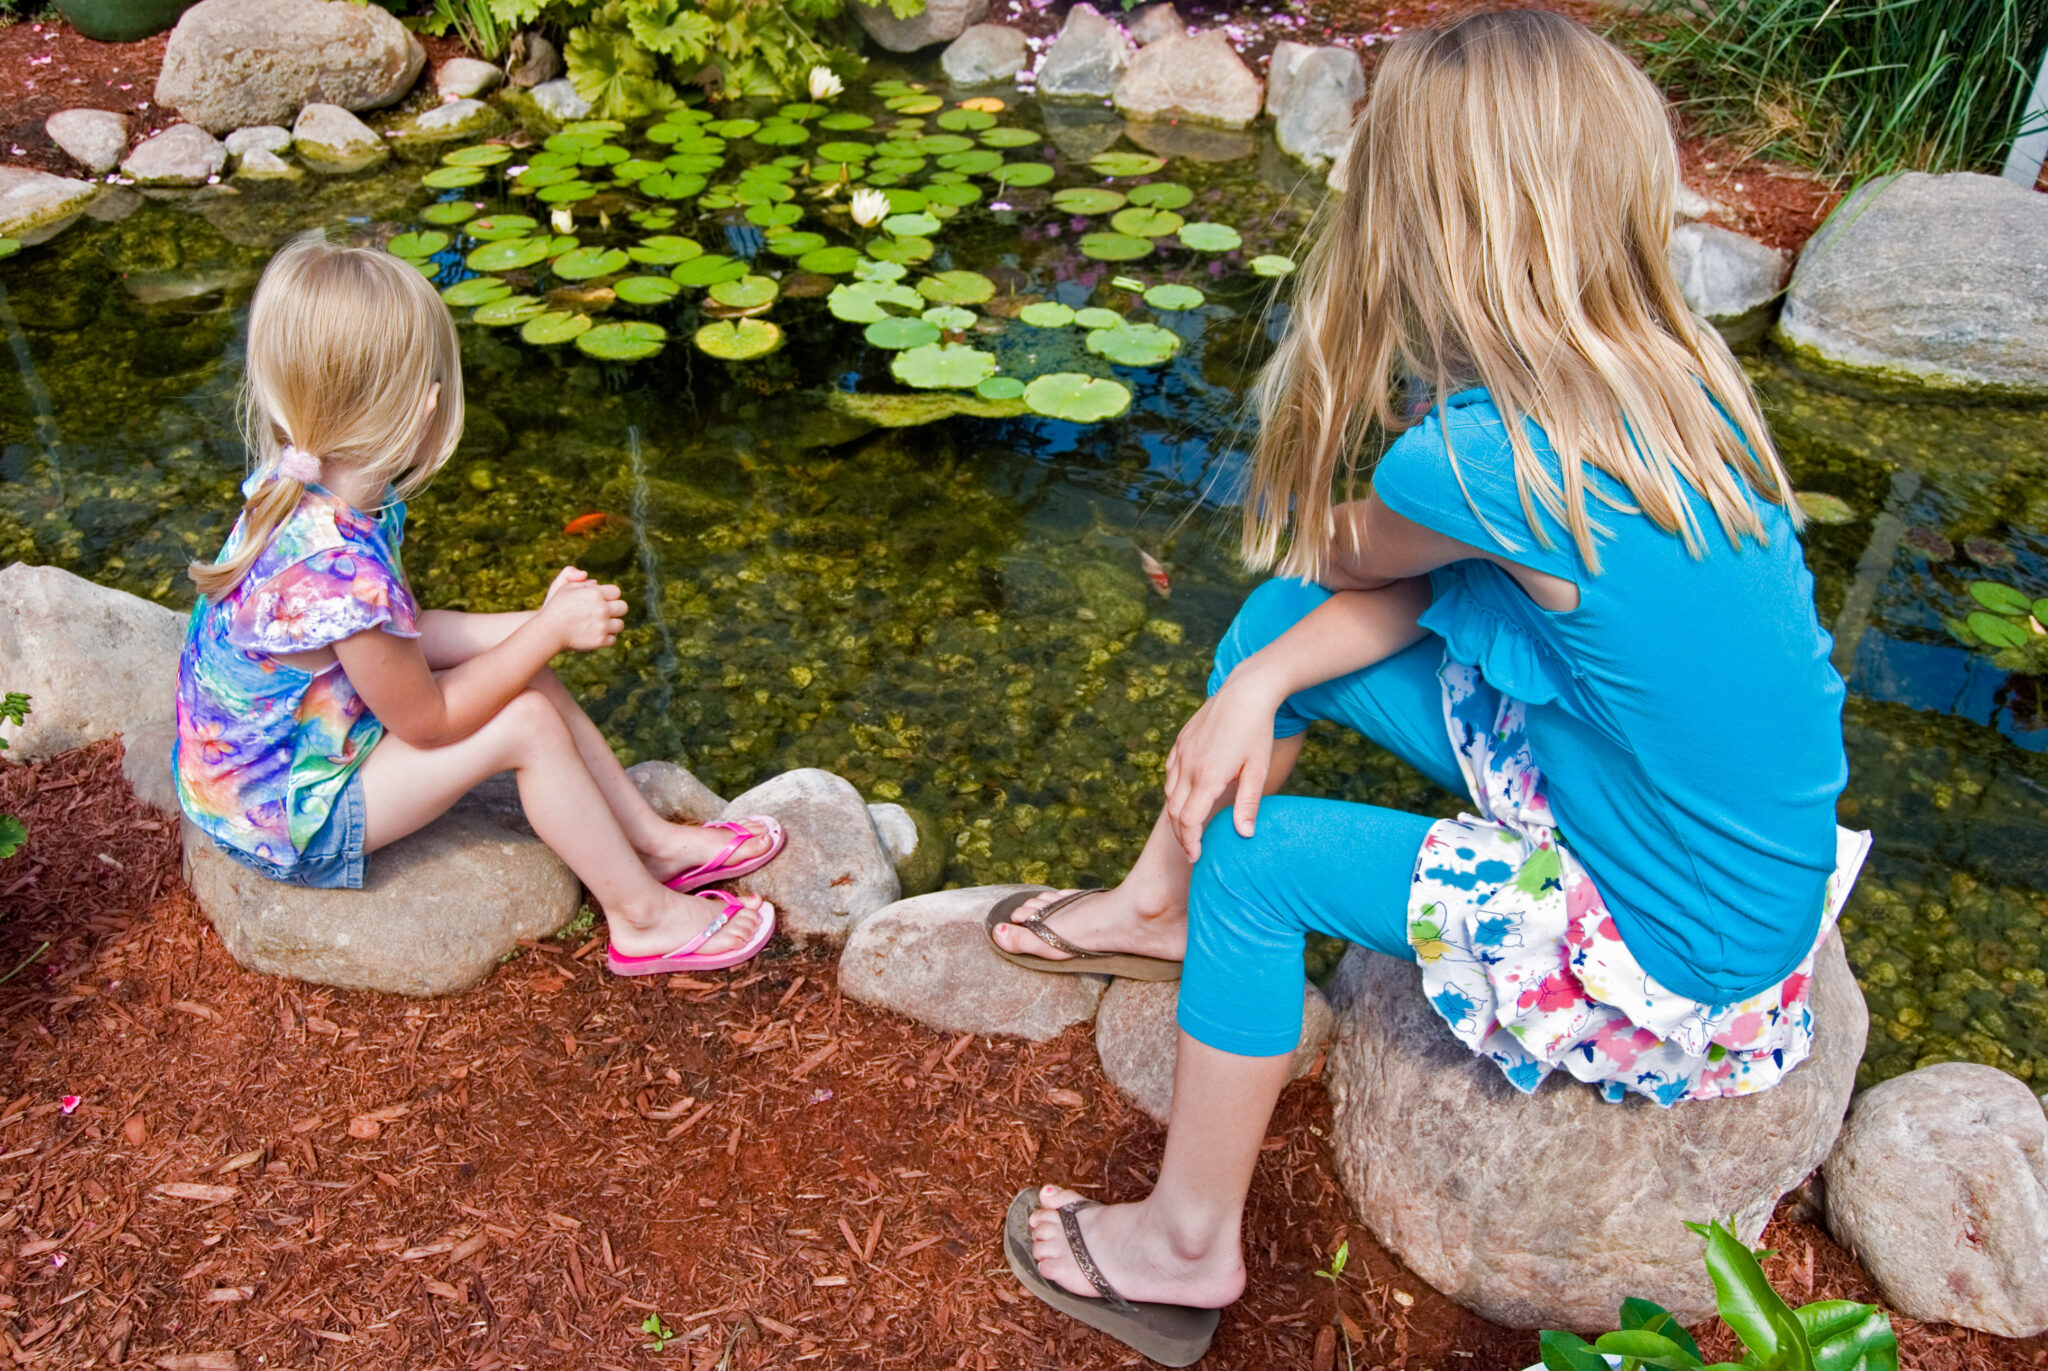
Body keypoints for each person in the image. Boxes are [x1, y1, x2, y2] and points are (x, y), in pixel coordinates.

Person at [987, 12, 1869, 1364]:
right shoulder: (1666, 381)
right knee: (1281, 633)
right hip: (1695, 840)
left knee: (1259, 862)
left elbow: (1346, 551)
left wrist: (1348, 504)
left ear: (1424, 222)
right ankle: (1151, 905)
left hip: (1668, 946)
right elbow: (1407, 583)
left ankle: (1182, 1243)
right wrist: (1263, 673)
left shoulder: (1478, 461)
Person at [173, 235, 785, 977]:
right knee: (527, 722)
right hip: (288, 820)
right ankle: (643, 919)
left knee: (520, 672)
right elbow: (427, 721)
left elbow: (406, 637)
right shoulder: (336, 566)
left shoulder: (315, 489)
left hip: (300, 754)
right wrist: (546, 633)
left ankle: (653, 844)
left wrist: (533, 628)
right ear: (428, 405)